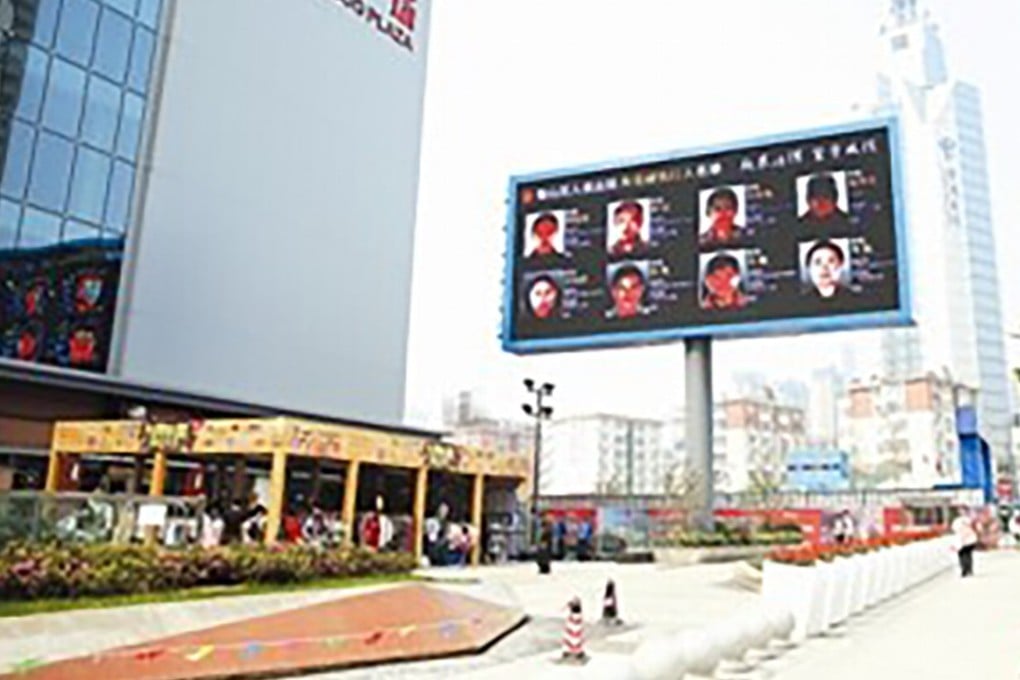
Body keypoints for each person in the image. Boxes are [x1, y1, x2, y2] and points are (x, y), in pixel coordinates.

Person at [951, 507, 978, 577]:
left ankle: (965, 570)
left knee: (963, 555)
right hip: (970, 539)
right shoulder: (969, 520)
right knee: (967, 555)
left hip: (964, 540)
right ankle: (968, 569)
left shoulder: (957, 521)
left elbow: (954, 529)